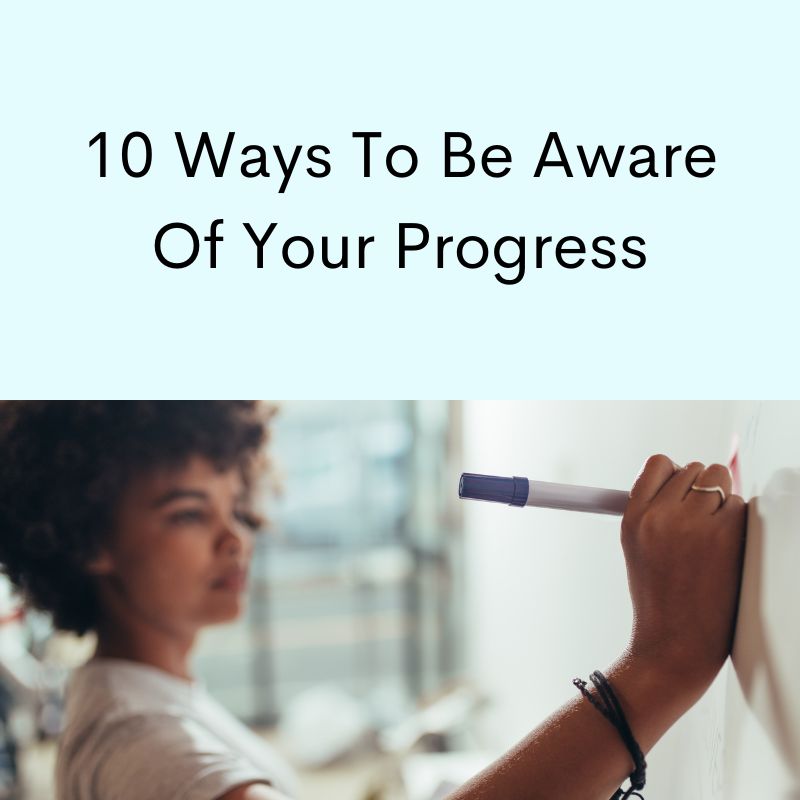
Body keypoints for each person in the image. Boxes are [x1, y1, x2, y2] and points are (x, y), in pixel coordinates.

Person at [0, 401, 747, 800]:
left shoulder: (142, 698)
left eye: (236, 506)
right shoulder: (141, 741)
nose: (236, 539)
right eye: (189, 513)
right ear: (89, 536)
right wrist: (663, 662)